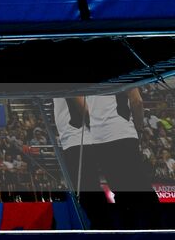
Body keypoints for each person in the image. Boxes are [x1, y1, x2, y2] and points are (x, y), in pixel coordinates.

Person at [53, 90, 160, 229]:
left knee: (102, 191)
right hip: (99, 134)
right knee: (128, 189)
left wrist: (96, 125)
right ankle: (129, 230)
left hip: (85, 136)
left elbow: (84, 107)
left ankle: (110, 229)